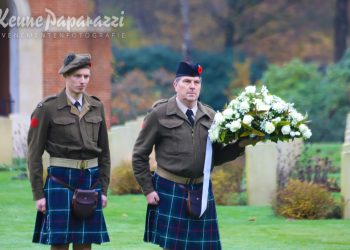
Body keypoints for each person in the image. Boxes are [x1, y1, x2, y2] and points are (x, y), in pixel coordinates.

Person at [132, 61, 260, 250]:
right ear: (176, 85)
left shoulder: (211, 116)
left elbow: (217, 157)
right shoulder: (159, 114)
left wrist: (241, 144)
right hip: (169, 189)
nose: (192, 86)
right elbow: (139, 154)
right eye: (187, 81)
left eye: (196, 82)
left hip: (202, 188)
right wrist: (148, 190)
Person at [27, 53, 110, 250]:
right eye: (77, 76)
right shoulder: (47, 108)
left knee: (84, 244)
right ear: (65, 76)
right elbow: (34, 154)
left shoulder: (97, 106)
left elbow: (104, 153)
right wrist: (38, 193)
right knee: (60, 243)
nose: (82, 81)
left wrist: (104, 189)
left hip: (91, 180)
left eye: (86, 76)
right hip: (60, 180)